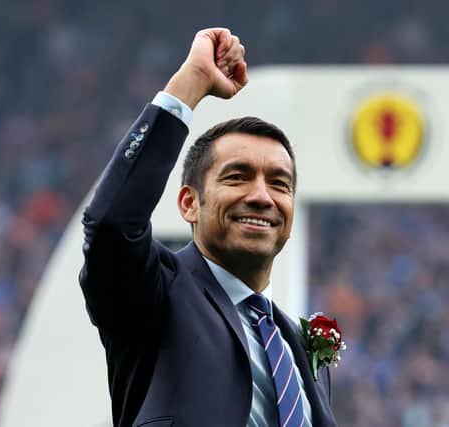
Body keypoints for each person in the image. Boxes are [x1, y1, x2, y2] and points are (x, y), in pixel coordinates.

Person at [79, 28, 337, 427]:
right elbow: (111, 223)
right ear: (189, 204)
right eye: (237, 177)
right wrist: (191, 84)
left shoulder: (298, 347)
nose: (262, 197)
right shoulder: (155, 291)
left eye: (279, 184)